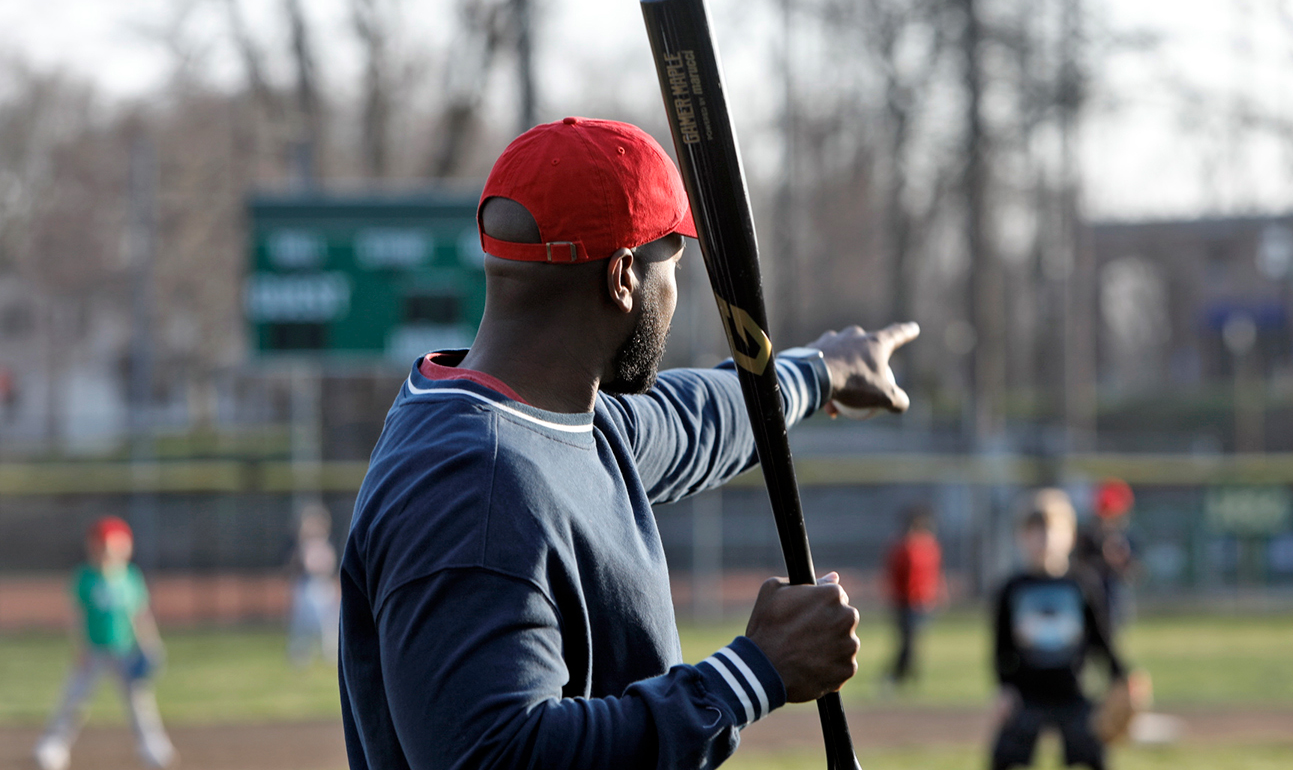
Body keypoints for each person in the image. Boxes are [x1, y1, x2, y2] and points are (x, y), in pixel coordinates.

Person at [339, 116, 920, 770]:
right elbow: (495, 755)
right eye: (672, 268)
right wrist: (752, 674)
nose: (675, 296)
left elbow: (698, 418)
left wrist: (822, 371)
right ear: (623, 278)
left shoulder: (564, 422)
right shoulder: (471, 486)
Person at [989, 490, 1129, 770]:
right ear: (1022, 537)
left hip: (1073, 689)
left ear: (1071, 535)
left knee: (1092, 755)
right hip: (1026, 692)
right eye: (1035, 530)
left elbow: (1101, 637)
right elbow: (1001, 645)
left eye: (1053, 529)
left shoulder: (1083, 583)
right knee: (1004, 757)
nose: (1045, 538)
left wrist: (1121, 677)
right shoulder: (1012, 588)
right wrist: (1004, 687)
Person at [34, 517, 175, 770]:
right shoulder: (85, 577)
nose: (108, 552)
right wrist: (80, 648)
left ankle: (153, 746)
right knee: (74, 700)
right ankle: (53, 746)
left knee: (139, 702)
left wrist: (150, 644)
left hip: (126, 650)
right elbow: (77, 617)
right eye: (103, 546)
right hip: (94, 650)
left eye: (115, 546)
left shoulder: (130, 577)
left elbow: (140, 614)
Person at [882, 505, 945, 690]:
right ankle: (895, 676)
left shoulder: (929, 545)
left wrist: (936, 594)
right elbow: (894, 574)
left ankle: (908, 676)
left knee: (915, 641)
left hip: (922, 601)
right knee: (907, 641)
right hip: (905, 601)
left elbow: (933, 574)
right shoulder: (902, 547)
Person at [1072, 478, 1138, 634]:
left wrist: (1119, 559)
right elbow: (1078, 566)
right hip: (1090, 594)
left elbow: (1133, 572)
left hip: (1114, 595)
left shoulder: (1127, 536)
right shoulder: (1088, 536)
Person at [288, 502, 340, 666]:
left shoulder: (326, 546)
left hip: (322, 585)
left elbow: (328, 565)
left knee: (328, 622)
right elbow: (300, 566)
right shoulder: (302, 547)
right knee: (302, 622)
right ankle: (300, 654)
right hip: (306, 585)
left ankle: (331, 653)